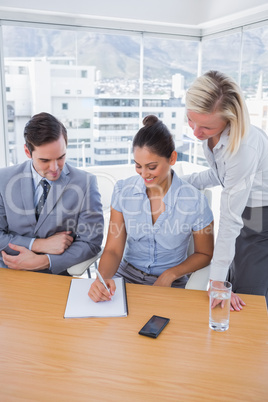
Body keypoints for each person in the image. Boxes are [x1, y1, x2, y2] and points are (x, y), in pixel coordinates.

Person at [88, 115, 214, 302]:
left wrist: (170, 275)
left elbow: (204, 253)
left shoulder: (195, 201)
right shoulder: (124, 191)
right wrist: (103, 279)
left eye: (151, 167)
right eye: (138, 166)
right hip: (125, 280)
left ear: (172, 158)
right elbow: (113, 250)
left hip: (170, 285)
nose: (144, 174)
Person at [184, 70, 268, 309]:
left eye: (206, 127)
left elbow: (230, 220)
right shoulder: (211, 133)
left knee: (245, 296)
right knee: (230, 276)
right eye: (191, 120)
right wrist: (183, 181)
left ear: (230, 119)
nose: (195, 133)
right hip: (245, 208)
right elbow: (221, 175)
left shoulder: (243, 148)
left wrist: (217, 282)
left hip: (261, 215)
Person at [0, 112, 103, 275]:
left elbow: (91, 243)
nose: (55, 168)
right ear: (28, 152)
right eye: (45, 160)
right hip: (9, 270)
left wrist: (44, 261)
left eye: (61, 157)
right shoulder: (3, 179)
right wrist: (39, 244)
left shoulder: (85, 183)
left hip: (54, 274)